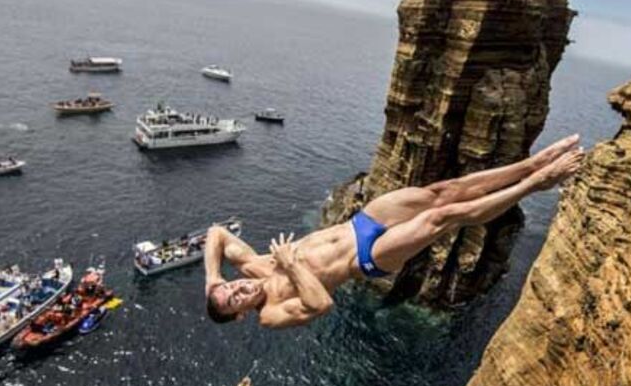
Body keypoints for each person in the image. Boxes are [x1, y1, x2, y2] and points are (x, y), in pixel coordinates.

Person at [204, 134, 585, 329]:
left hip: (360, 223)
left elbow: (217, 233)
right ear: (241, 315)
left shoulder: (252, 266)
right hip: (368, 257)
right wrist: (290, 264)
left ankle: (529, 164)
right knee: (445, 217)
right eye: (234, 300)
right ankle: (537, 182)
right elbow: (321, 305)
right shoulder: (270, 313)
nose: (238, 289)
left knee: (443, 191)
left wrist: (212, 278)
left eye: (230, 287)